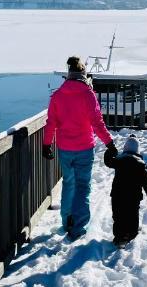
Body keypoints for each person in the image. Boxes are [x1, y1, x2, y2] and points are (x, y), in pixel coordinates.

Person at [42, 56, 117, 239]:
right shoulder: (88, 94)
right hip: (84, 147)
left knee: (69, 183)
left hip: (65, 147)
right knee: (83, 186)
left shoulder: (58, 95)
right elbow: (97, 123)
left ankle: (67, 220)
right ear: (83, 74)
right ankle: (79, 227)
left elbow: (51, 123)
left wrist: (46, 144)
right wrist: (109, 143)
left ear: (69, 74)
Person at [104, 134, 147, 246]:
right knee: (132, 215)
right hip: (133, 196)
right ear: (138, 151)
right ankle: (131, 235)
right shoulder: (140, 166)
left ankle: (119, 236)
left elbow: (107, 161)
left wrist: (110, 151)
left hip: (118, 195)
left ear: (125, 149)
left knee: (118, 216)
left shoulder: (119, 161)